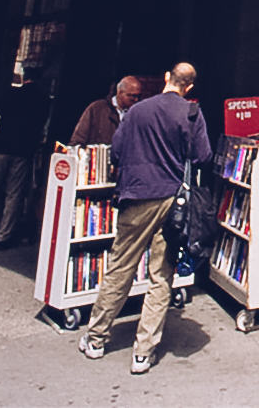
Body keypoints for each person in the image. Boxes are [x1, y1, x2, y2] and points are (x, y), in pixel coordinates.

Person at [79, 63, 212, 373]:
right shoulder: (192, 113)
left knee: (120, 266)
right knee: (161, 275)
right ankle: (143, 351)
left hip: (136, 196)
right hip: (171, 201)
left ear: (167, 78)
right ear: (189, 87)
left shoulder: (138, 111)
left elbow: (116, 150)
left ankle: (96, 338)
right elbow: (202, 156)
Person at [0, 69, 50, 249]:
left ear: (24, 77)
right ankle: (5, 236)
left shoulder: (10, 93)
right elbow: (42, 124)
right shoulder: (43, 99)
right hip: (24, 150)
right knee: (14, 194)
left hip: (1, 146)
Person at [69, 76, 143, 149]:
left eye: (138, 96)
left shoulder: (138, 113)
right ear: (120, 92)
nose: (136, 100)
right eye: (132, 96)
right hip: (99, 158)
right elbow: (78, 141)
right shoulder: (96, 109)